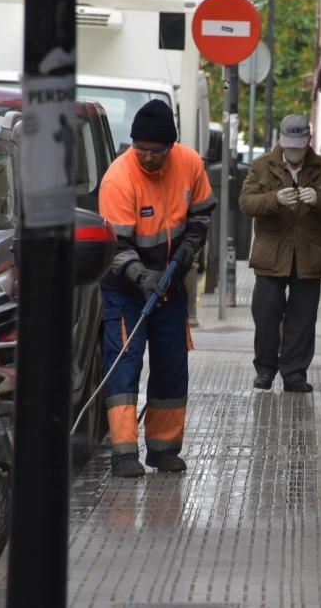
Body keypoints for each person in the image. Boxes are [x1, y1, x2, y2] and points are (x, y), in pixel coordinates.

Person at [98, 99, 215, 477]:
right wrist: (141, 277)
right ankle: (124, 453)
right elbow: (116, 246)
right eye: (141, 150)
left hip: (171, 286)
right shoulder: (119, 179)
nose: (147, 158)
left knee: (171, 364)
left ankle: (164, 449)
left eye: (156, 151)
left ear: (171, 146)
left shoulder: (190, 164)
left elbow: (202, 213)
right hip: (126, 291)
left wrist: (187, 251)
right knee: (125, 364)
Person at [238, 114, 321, 392]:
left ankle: (294, 374)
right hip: (271, 256)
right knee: (265, 315)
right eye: (290, 147)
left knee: (302, 318)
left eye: (299, 147)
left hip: (309, 256)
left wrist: (318, 201)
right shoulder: (262, 167)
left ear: (308, 141)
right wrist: (274, 199)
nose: (295, 153)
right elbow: (247, 203)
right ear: (281, 141)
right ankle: (265, 370)